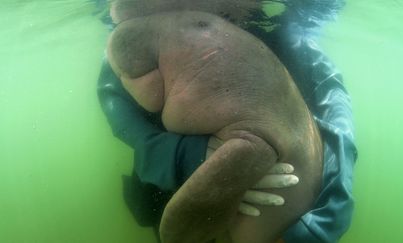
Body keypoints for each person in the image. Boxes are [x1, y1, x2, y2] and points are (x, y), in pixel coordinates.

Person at [97, 0, 357, 242]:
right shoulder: (130, 41)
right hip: (171, 193)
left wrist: (318, 224)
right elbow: (124, 123)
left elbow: (335, 107)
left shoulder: (289, 38)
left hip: (281, 216)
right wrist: (189, 157)